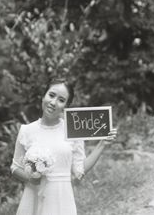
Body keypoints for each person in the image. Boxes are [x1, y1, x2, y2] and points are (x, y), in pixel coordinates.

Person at [11, 78, 117, 215]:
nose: (53, 102)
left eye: (61, 100)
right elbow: (15, 167)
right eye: (51, 95)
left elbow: (79, 169)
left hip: (61, 199)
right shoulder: (27, 130)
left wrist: (102, 145)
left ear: (66, 105)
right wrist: (31, 178)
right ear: (44, 95)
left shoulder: (72, 130)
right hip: (34, 198)